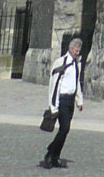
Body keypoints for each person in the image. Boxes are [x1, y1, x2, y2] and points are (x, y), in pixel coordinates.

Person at [40, 35, 84, 169]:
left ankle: (54, 156)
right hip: (62, 100)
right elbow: (54, 84)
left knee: (65, 130)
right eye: (76, 50)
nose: (78, 52)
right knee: (64, 128)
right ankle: (50, 153)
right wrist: (53, 105)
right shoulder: (61, 62)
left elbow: (76, 83)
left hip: (70, 100)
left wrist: (79, 100)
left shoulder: (77, 64)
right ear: (71, 49)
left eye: (79, 50)